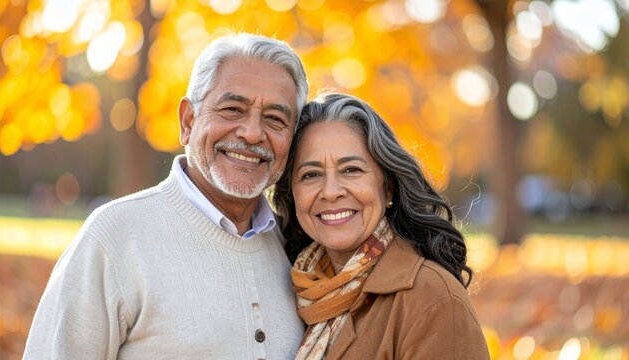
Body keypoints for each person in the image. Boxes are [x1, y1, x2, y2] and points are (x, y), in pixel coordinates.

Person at [24, 32, 309, 359]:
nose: (253, 132)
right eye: (232, 109)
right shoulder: (114, 237)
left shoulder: (295, 249)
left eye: (275, 118)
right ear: (188, 121)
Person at [272, 93, 490, 359]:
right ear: (292, 193)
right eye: (311, 175)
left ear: (387, 187)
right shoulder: (295, 290)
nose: (330, 192)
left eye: (351, 170)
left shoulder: (433, 298)